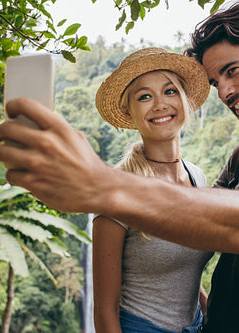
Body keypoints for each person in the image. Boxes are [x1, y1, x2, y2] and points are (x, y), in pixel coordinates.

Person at [0, 1, 239, 331]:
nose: (225, 92)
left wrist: (102, 185)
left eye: (233, 70)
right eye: (215, 81)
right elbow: (197, 227)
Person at [92, 47, 213, 332]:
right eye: (144, 96)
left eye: (170, 91)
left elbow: (183, 274)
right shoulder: (118, 192)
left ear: (186, 100)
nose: (159, 104)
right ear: (128, 110)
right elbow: (104, 310)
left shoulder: (197, 178)